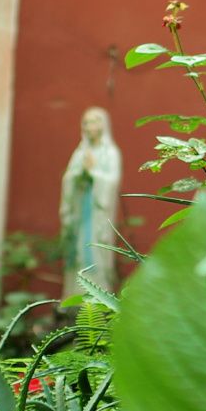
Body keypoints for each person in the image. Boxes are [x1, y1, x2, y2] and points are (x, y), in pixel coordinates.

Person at [59, 106, 122, 296]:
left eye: (93, 122)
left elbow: (112, 180)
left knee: (95, 250)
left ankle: (97, 297)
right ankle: (74, 296)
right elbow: (68, 178)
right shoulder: (80, 153)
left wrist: (93, 172)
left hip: (97, 212)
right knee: (77, 251)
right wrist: (79, 174)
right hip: (80, 209)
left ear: (103, 125)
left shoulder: (110, 153)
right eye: (85, 122)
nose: (88, 126)